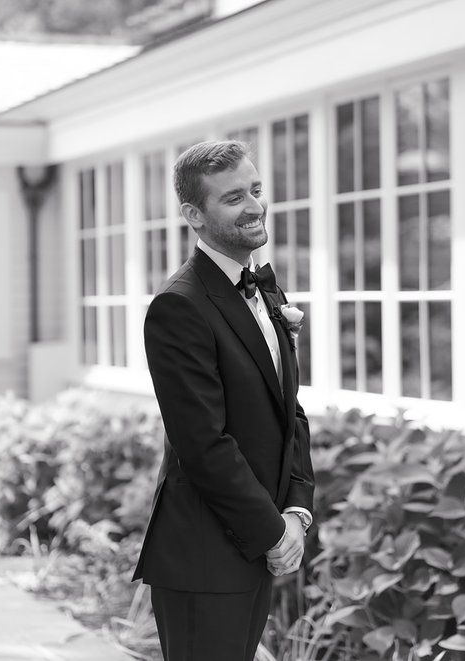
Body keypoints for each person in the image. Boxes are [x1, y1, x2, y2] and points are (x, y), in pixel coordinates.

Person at [132, 140, 315, 661]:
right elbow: (203, 443)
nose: (255, 206)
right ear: (194, 214)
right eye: (234, 198)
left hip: (253, 545)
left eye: (256, 190)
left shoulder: (265, 290)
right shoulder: (178, 306)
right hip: (204, 556)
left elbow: (288, 409)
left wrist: (298, 511)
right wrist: (274, 533)